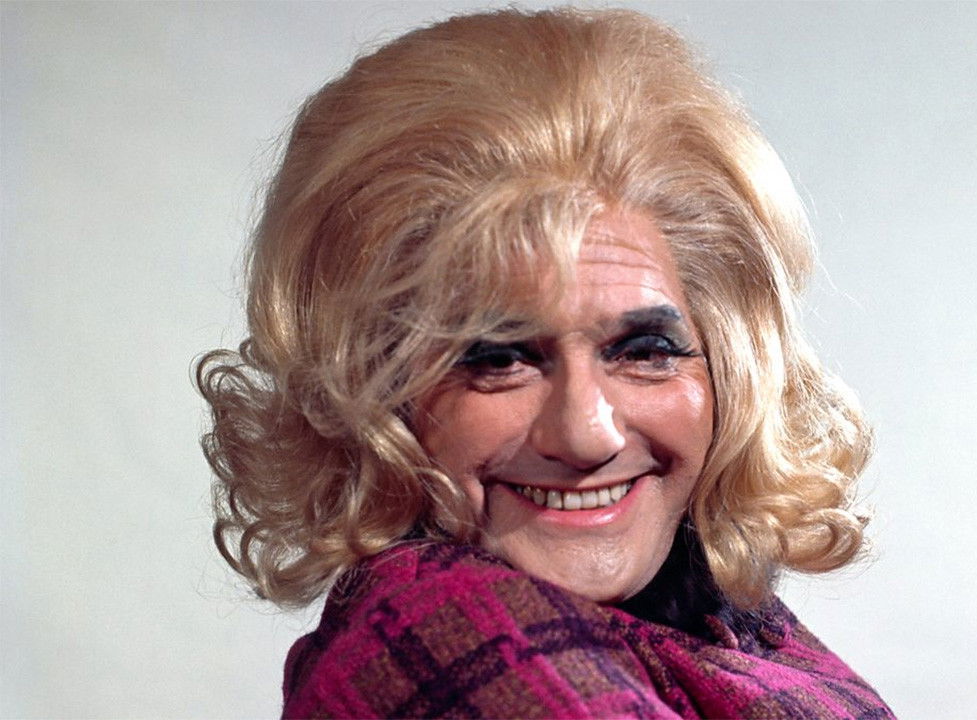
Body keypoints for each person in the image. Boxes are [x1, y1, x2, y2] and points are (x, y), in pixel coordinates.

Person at [199, 8, 894, 718]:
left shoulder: (716, 621)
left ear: (727, 367)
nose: (587, 435)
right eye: (499, 359)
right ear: (371, 390)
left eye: (646, 351)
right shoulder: (449, 637)